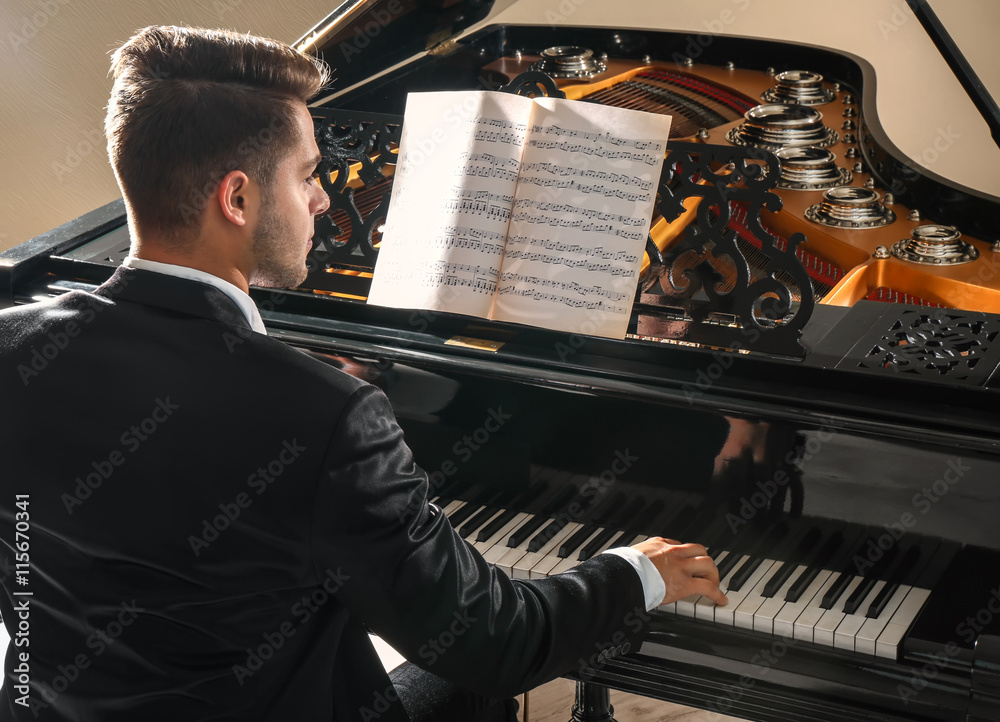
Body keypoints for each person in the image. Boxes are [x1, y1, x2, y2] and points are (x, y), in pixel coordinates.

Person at [0, 25, 726, 721]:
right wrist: (635, 571)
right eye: (310, 174)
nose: (324, 198)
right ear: (238, 198)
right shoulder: (323, 415)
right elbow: (495, 641)